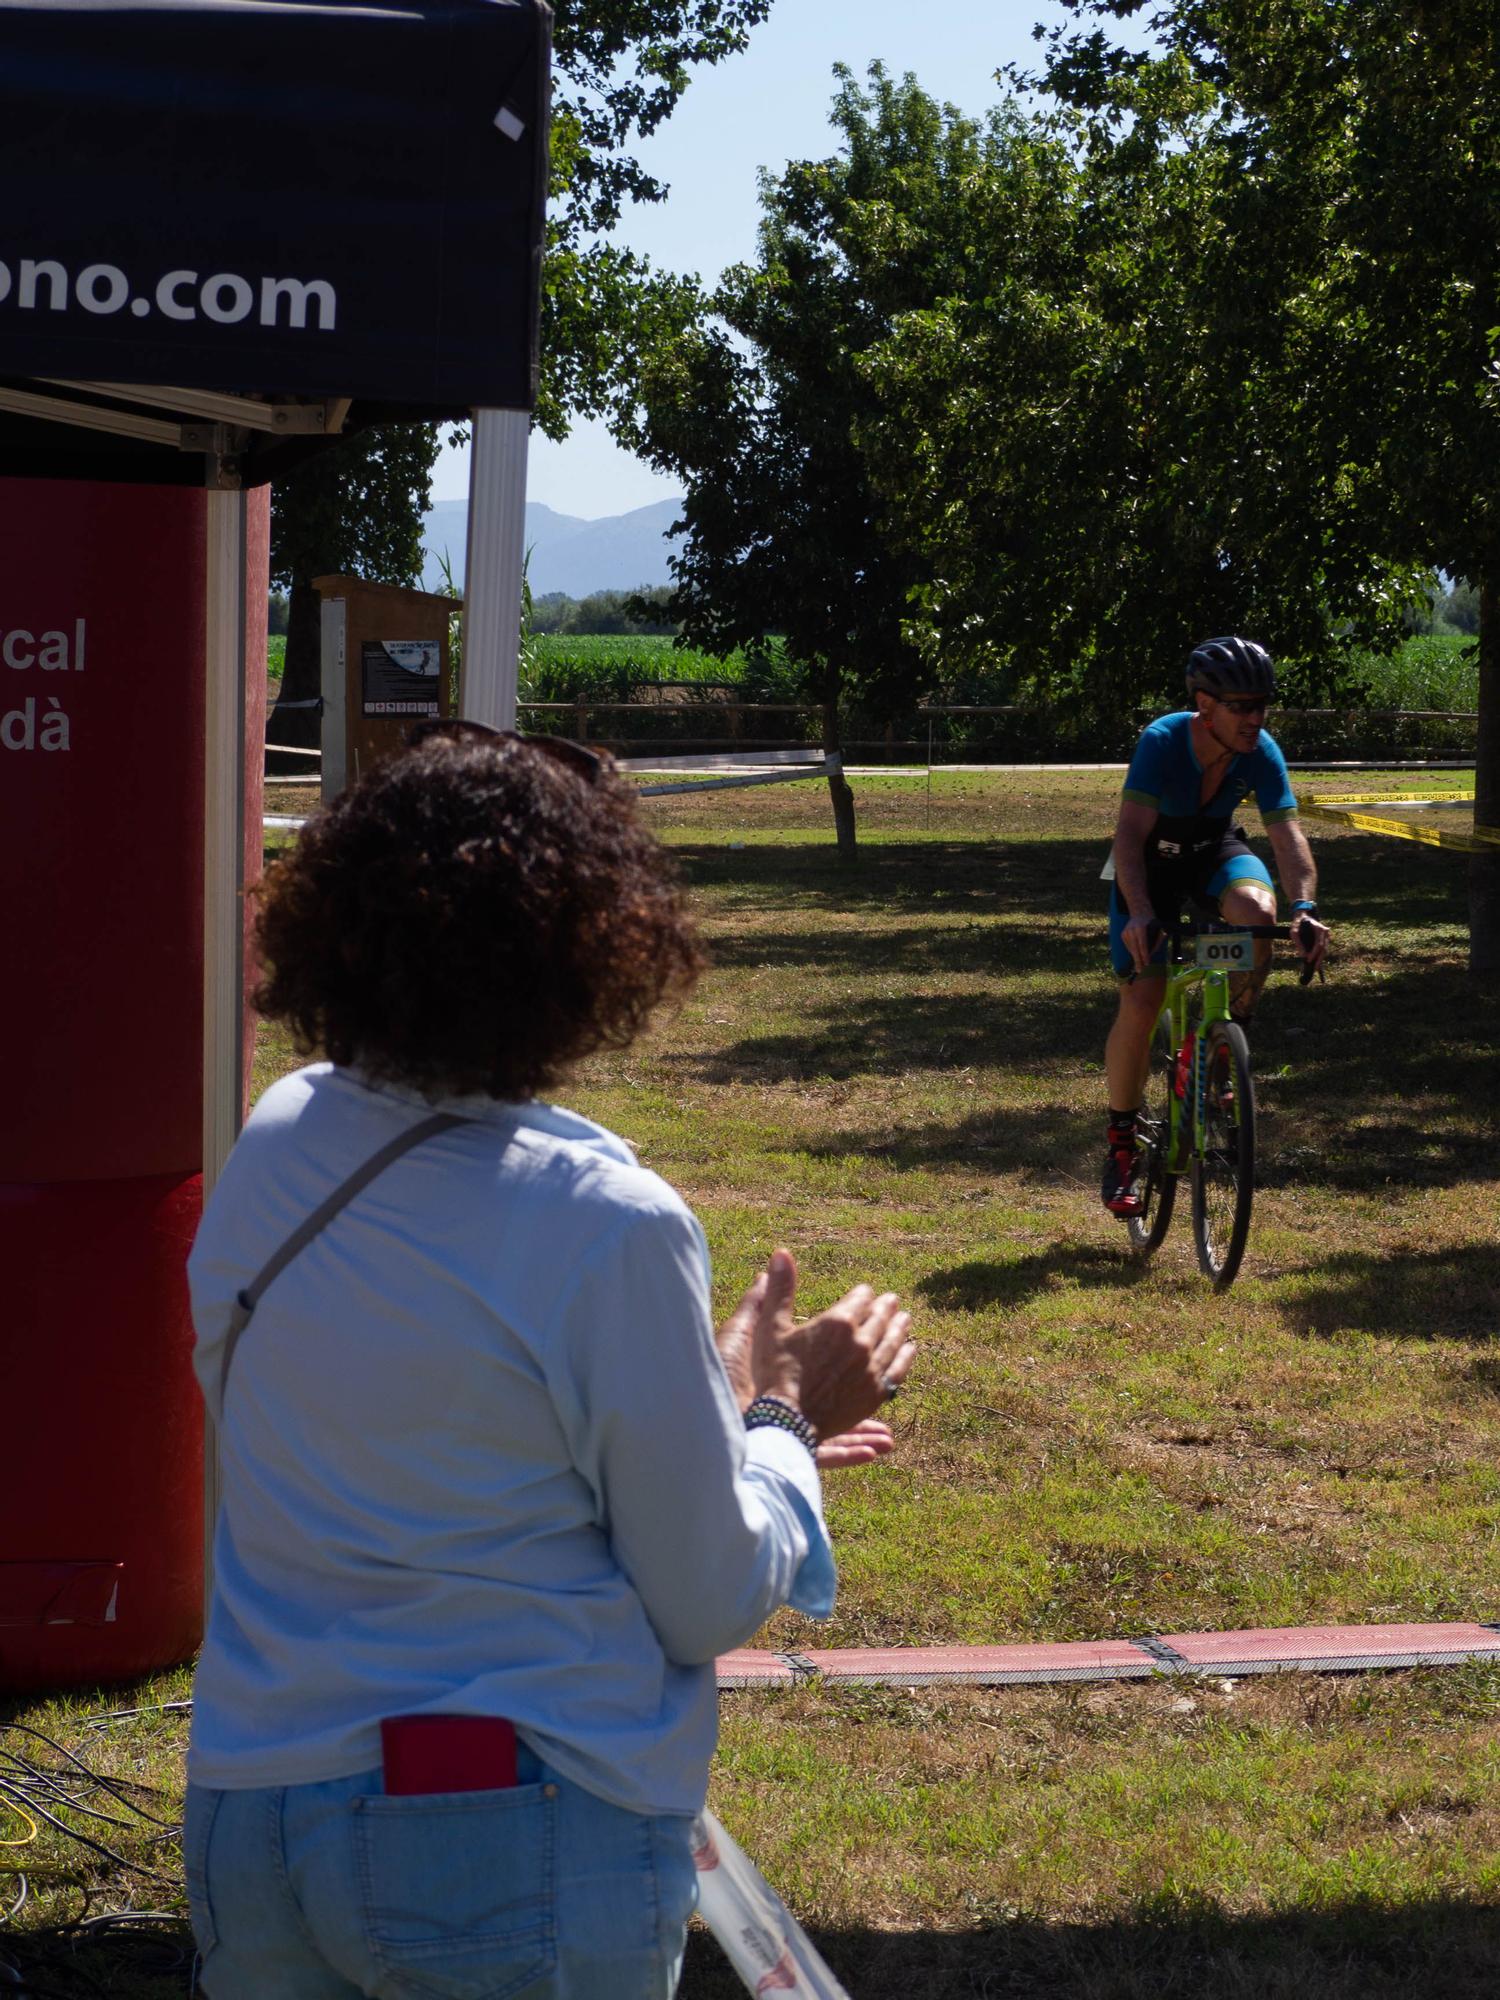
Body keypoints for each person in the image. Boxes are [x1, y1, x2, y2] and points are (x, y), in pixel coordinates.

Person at [182, 720, 916, 2000]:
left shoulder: (280, 1135)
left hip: (253, 1806)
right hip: (504, 1830)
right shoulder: (605, 1223)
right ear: (590, 945)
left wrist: (713, 1387)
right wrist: (782, 1421)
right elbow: (704, 1592)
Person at [1101, 638, 1330, 1216]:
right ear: (1204, 704)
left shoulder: (1261, 749)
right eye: (1241, 706)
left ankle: (1221, 1059)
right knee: (1145, 996)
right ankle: (1122, 1147)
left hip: (1212, 852)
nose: (1255, 718)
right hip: (1150, 868)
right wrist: (1142, 914)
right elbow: (1128, 840)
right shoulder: (1162, 742)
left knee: (1260, 918)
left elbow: (1287, 836)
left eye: (1263, 705)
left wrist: (1303, 908)